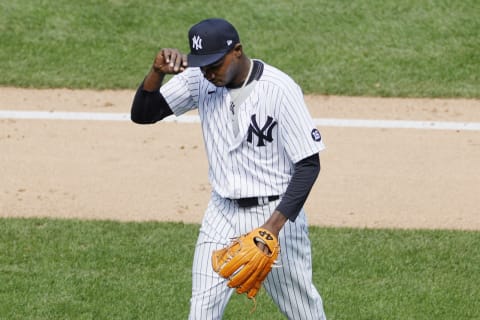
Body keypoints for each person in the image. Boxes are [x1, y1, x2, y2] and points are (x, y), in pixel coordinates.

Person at [131, 18, 327, 320]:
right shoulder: (199, 79)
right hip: (220, 214)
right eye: (203, 66)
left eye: (215, 65)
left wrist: (269, 232)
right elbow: (143, 114)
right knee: (202, 311)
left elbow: (308, 165)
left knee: (303, 311)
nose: (209, 73)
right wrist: (156, 73)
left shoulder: (279, 89)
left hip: (275, 216)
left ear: (237, 51)